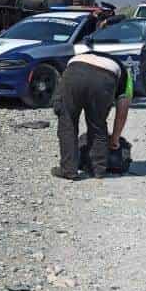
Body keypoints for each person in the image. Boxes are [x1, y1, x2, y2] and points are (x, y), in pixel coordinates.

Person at [51, 21, 134, 181]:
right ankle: (98, 170)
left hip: (74, 71)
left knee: (67, 122)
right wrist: (115, 139)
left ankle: (69, 170)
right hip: (104, 79)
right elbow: (122, 111)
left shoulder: (83, 55)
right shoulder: (124, 72)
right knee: (98, 124)